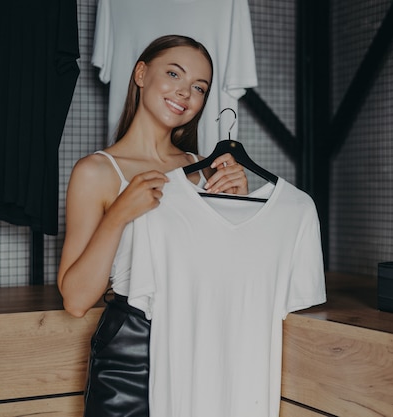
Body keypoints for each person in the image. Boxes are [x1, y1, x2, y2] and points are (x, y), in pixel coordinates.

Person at [57, 35, 249, 417]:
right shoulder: (96, 172)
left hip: (205, 345)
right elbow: (76, 301)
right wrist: (119, 214)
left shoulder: (210, 171)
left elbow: (228, 273)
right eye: (173, 73)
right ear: (141, 74)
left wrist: (239, 208)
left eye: (199, 87)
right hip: (131, 355)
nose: (185, 93)